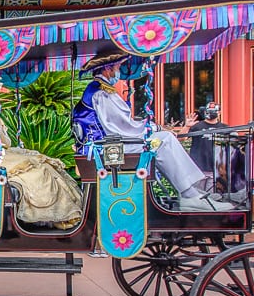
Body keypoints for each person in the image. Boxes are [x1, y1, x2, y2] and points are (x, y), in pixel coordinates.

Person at [71, 56, 233, 211]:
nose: (119, 72)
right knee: (164, 140)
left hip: (106, 146)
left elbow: (121, 124)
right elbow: (123, 127)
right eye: (118, 67)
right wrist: (153, 128)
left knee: (162, 139)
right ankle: (189, 194)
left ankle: (191, 193)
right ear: (107, 69)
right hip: (108, 149)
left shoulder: (98, 90)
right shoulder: (102, 92)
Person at [0, 81, 83, 229]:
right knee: (37, 171)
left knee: (44, 165)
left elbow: (7, 142)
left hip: (1, 154)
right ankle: (42, 215)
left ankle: (62, 213)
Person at [184, 102, 229, 179]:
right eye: (209, 111)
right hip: (198, 168)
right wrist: (187, 126)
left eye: (213, 111)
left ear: (219, 113)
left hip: (218, 170)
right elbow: (180, 138)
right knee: (198, 191)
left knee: (216, 191)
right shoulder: (197, 126)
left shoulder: (225, 128)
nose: (211, 113)